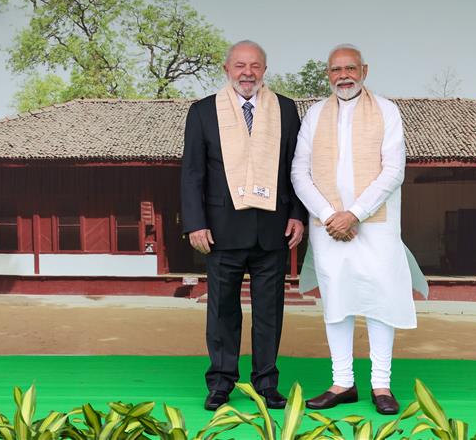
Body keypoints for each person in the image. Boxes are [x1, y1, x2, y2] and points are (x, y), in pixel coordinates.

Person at [292, 43, 427, 415]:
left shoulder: (387, 110)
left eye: (350, 68)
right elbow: (298, 171)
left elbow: (393, 170)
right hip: (327, 226)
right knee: (337, 301)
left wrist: (354, 213)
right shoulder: (315, 115)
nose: (343, 76)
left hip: (376, 226)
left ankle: (381, 384)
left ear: (365, 71)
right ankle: (342, 383)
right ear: (327, 75)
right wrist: (327, 213)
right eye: (336, 70)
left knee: (380, 301)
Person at [181, 40, 306, 411]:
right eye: (239, 65)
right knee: (222, 309)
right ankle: (221, 382)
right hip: (221, 228)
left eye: (254, 66)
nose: (247, 73)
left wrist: (298, 213)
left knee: (270, 310)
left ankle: (267, 382)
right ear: (226, 69)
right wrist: (195, 222)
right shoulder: (203, 111)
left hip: (273, 228)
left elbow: (296, 168)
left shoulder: (285, 109)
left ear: (264, 70)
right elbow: (192, 173)